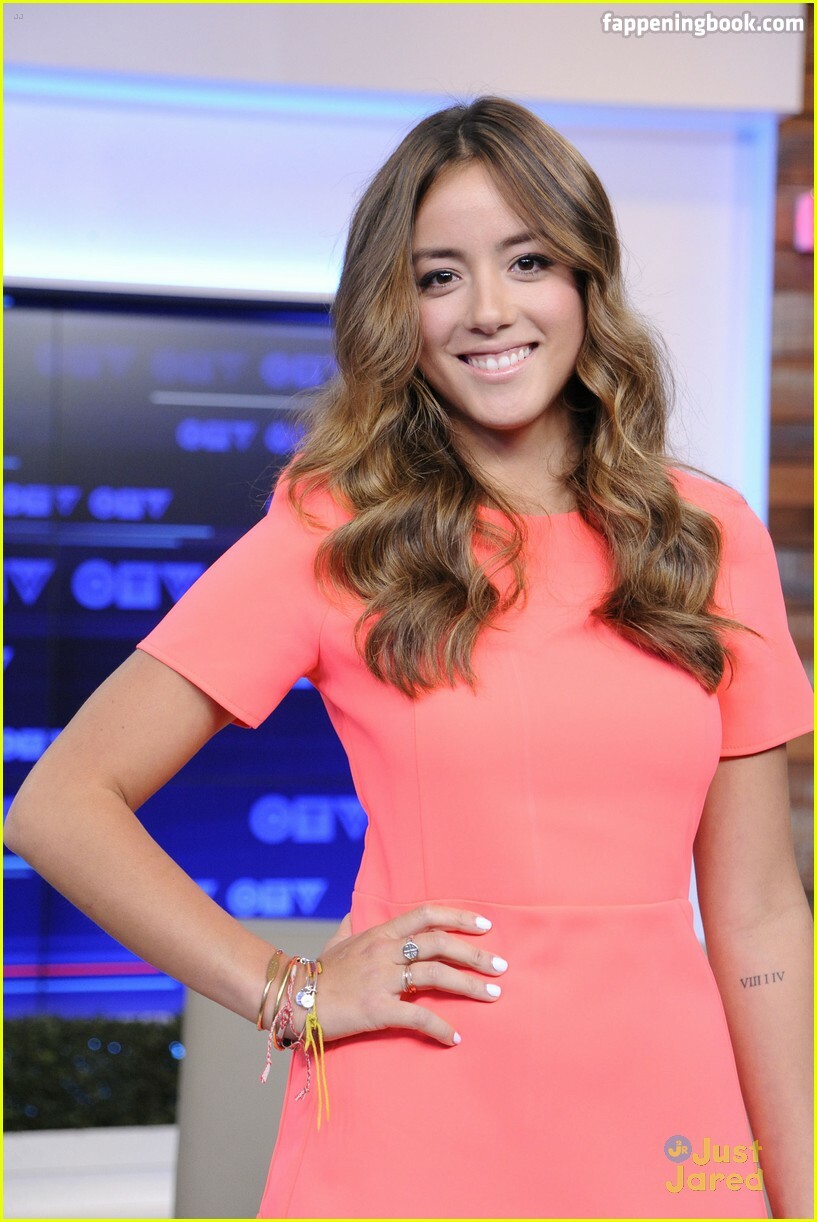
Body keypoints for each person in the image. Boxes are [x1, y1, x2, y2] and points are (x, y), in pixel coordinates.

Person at [5, 96, 813, 1220]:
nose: (488, 310)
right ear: (398, 310)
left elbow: (760, 915)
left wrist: (798, 1189)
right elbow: (59, 805)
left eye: (527, 261)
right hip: (416, 1127)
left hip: (671, 1134)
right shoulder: (336, 532)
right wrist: (288, 991)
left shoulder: (706, 535)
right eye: (439, 276)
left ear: (585, 279)